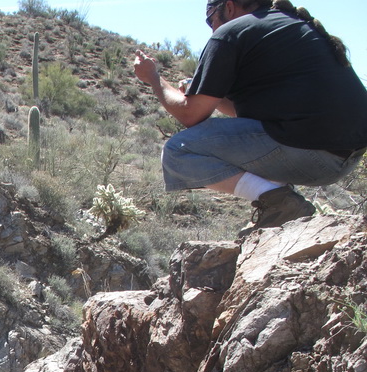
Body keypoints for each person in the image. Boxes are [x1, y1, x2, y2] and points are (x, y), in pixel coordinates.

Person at [133, 0, 367, 231]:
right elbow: (242, 114)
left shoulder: (231, 32)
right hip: (345, 159)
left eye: (210, 20)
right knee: (253, 134)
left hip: (310, 153)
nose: (212, 28)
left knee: (178, 151)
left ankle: (281, 203)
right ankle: (278, 209)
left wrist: (153, 77)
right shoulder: (292, 25)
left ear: (229, 6)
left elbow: (190, 115)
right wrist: (210, 96)